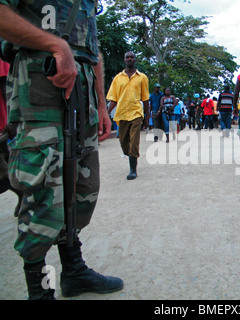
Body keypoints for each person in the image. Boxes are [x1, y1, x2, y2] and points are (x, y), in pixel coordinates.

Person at [0, 1, 123, 300]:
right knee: (43, 194)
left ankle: (73, 270)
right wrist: (56, 44)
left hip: (84, 94)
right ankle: (39, 292)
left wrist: (101, 105)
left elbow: (91, 49)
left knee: (82, 190)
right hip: (38, 85)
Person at [107, 52, 150, 180]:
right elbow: (113, 98)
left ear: (135, 60)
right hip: (121, 114)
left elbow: (146, 99)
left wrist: (147, 117)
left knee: (134, 142)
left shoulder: (142, 77)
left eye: (132, 57)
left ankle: (133, 169)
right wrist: (106, 112)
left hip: (136, 113)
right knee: (123, 142)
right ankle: (130, 156)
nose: (130, 59)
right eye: (127, 57)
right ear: (124, 60)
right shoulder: (117, 78)